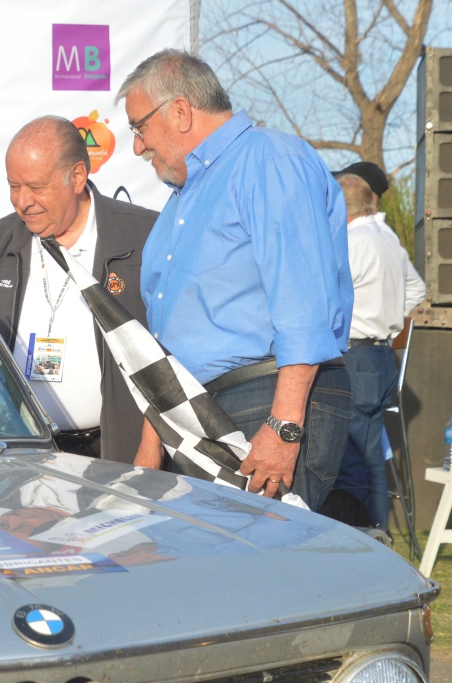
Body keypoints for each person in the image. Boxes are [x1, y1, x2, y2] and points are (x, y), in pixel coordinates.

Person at [116, 50, 353, 511]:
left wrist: (284, 427)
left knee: (263, 572)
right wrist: (154, 443)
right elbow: (170, 336)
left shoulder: (268, 160)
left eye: (139, 128)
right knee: (210, 575)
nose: (137, 147)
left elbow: (303, 303)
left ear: (181, 111)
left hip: (265, 399)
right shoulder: (184, 198)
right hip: (196, 413)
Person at [0, 115, 158, 462]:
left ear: (77, 177)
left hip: (117, 456)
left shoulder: (144, 236)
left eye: (35, 186)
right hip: (25, 456)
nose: (21, 202)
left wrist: (150, 448)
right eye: (13, 186)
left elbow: (171, 356)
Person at [331, 172, 425, 530]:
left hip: (355, 357)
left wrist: (361, 316)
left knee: (350, 457)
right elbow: (417, 291)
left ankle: (359, 541)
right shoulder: (389, 242)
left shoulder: (353, 244)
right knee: (369, 457)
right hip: (381, 357)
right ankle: (378, 535)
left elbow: (328, 298)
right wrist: (386, 317)